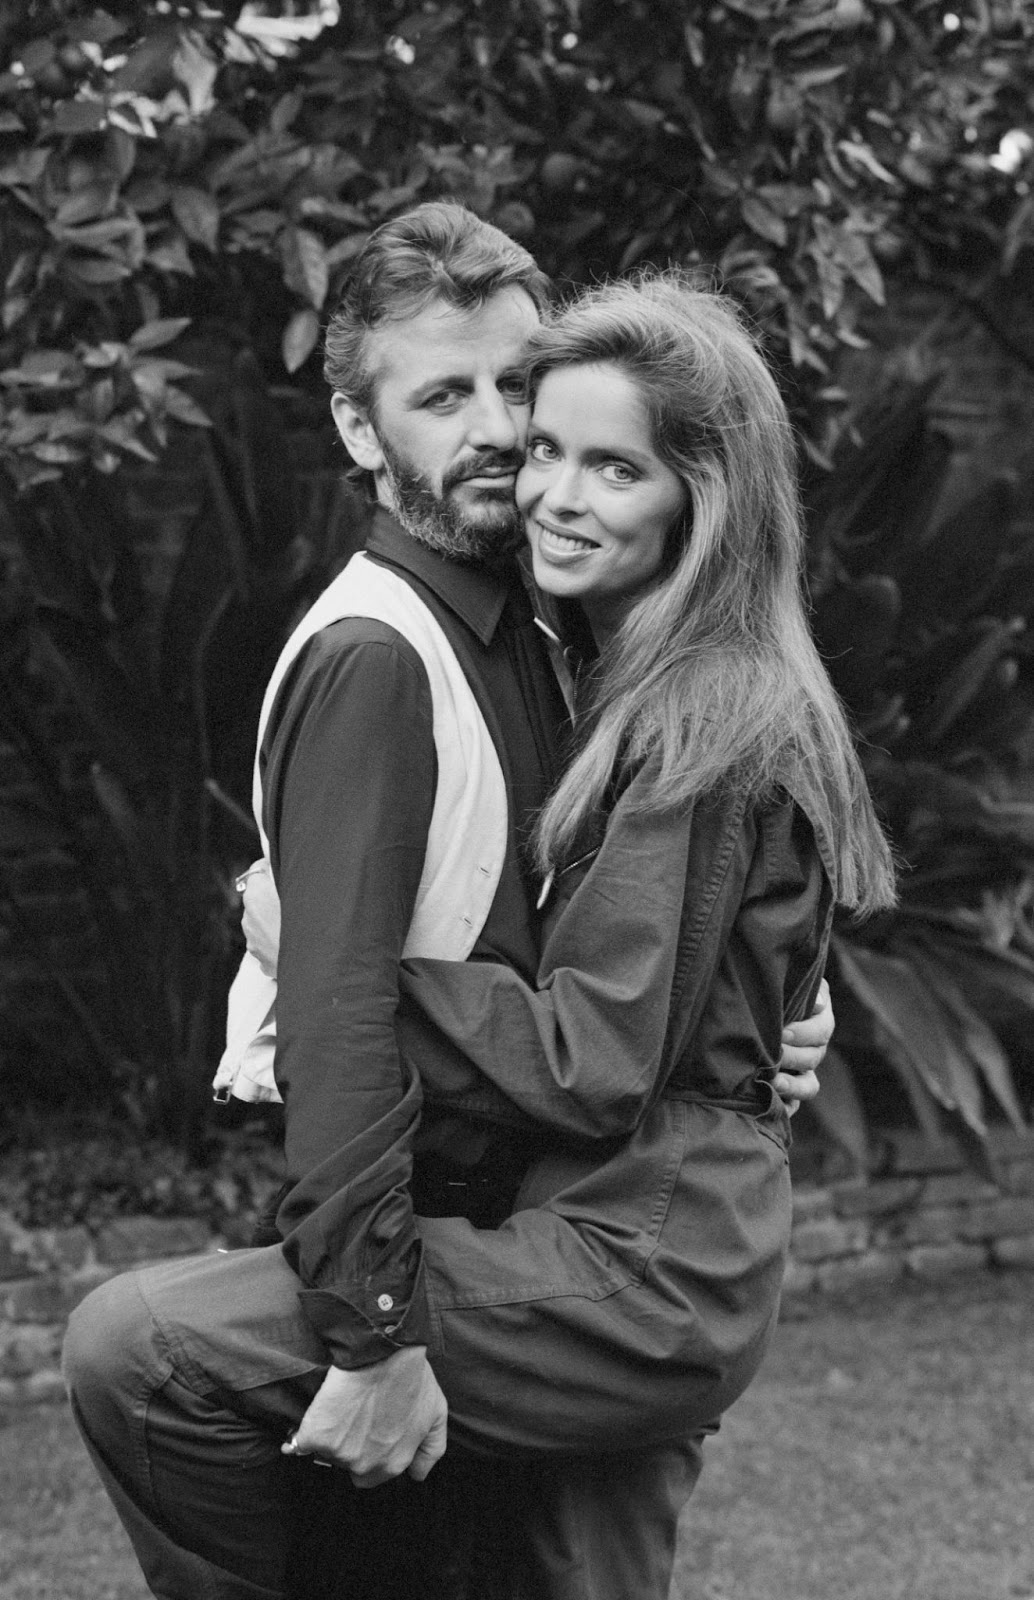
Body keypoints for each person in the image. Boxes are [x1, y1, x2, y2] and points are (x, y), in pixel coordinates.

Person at [62, 207, 846, 1600]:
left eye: (579, 445)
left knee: (147, 1344)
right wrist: (369, 1332)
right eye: (470, 409)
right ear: (361, 433)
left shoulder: (650, 685)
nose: (518, 456)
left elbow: (602, 1029)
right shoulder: (419, 653)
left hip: (631, 1236)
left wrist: (323, 962)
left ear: (696, 495)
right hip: (567, 1228)